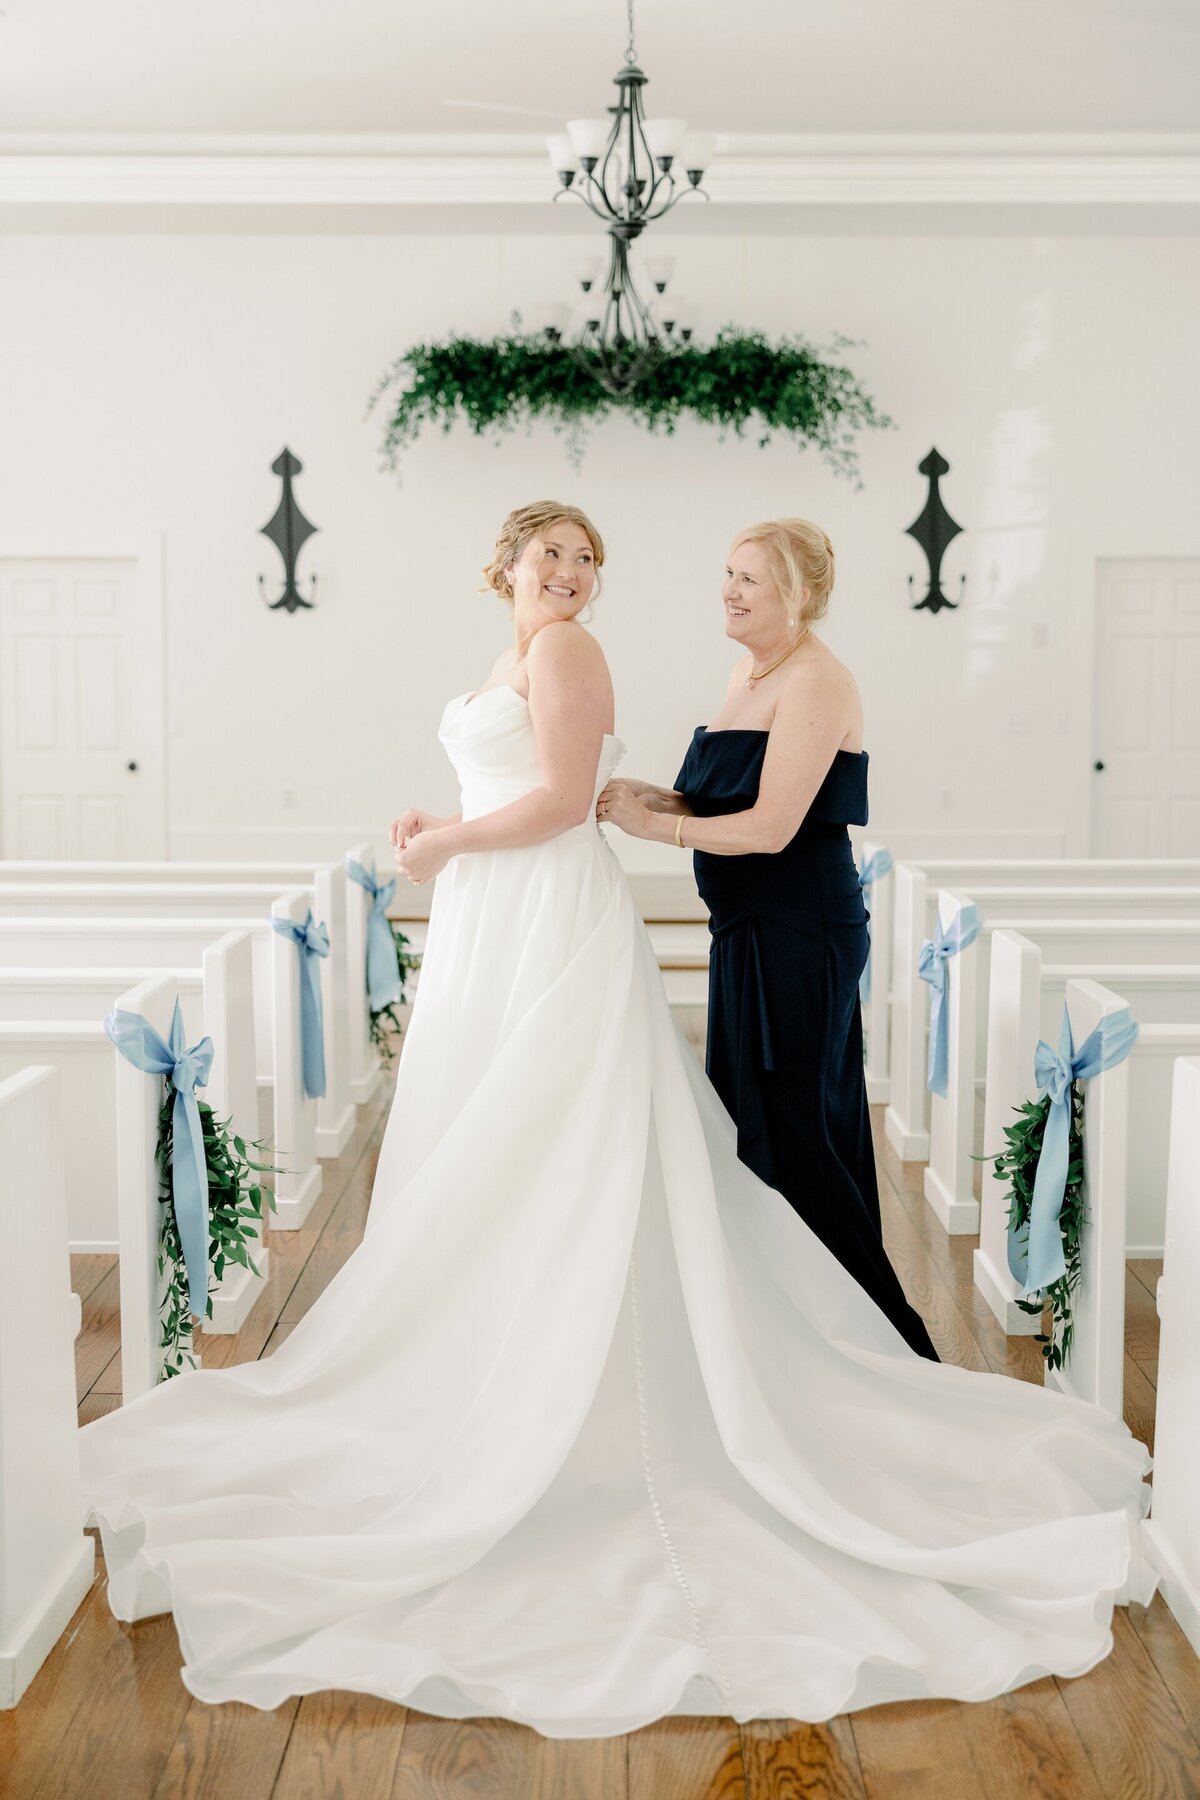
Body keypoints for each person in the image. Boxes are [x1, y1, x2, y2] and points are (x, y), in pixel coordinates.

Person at [78, 500, 1155, 1734]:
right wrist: (447, 832)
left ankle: (793, 1357)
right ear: (508, 561)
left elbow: (557, 800)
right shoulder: (540, 651)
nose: (576, 572)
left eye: (589, 557)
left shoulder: (576, 654)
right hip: (505, 908)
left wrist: (460, 844)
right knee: (511, 1140)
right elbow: (535, 787)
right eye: (556, 552)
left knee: (609, 1138)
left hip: (555, 910)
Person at [597, 519, 938, 1361]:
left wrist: (657, 834)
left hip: (799, 930)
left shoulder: (818, 681)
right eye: (728, 573)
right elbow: (722, 798)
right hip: (744, 932)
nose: (730, 590)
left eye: (751, 578)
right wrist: (655, 796)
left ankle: (883, 1346)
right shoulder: (749, 670)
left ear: (802, 595)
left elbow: (773, 827)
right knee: (758, 1133)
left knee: (797, 1136)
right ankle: (788, 1335)